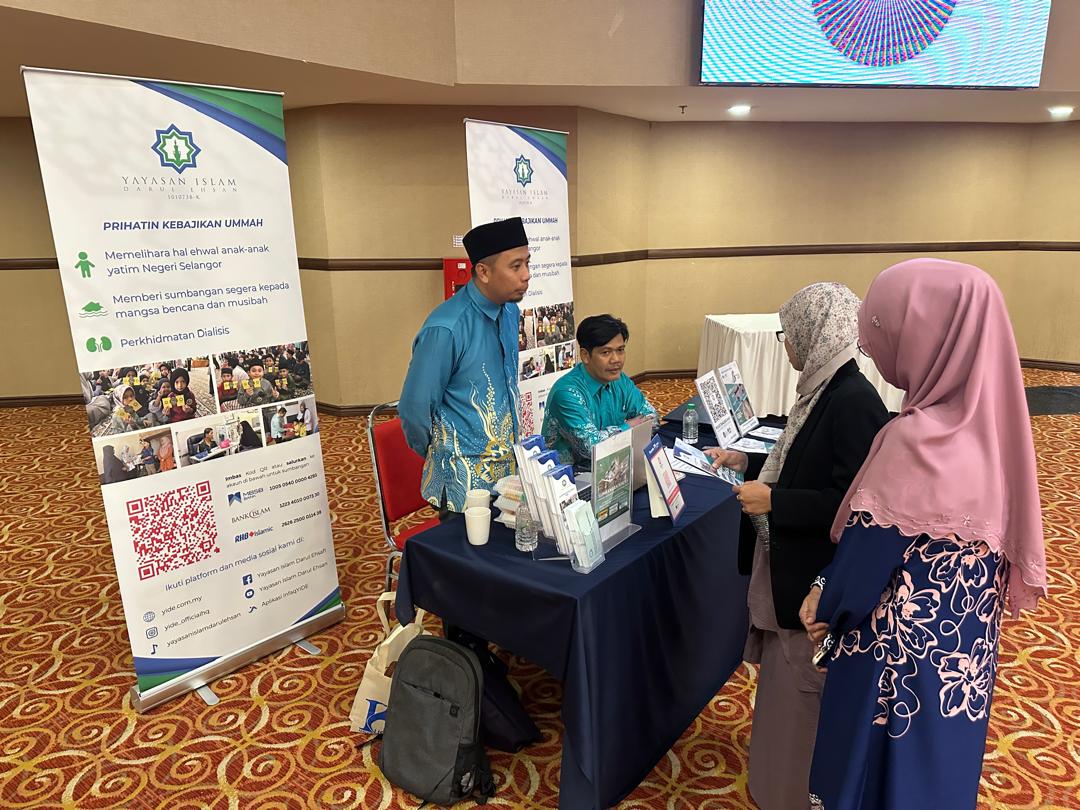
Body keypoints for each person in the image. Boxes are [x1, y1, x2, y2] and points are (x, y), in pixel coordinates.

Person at [798, 260, 1046, 810]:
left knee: (874, 781)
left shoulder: (915, 443)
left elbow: (861, 571)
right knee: (937, 774)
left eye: (887, 330)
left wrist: (823, 599)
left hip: (891, 670)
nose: (876, 346)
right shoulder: (999, 436)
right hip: (961, 664)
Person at [707, 282, 889, 810]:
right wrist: (747, 462)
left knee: (804, 697)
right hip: (794, 569)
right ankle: (774, 782)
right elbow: (800, 457)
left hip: (813, 579)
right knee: (785, 693)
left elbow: (854, 504)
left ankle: (794, 794)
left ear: (814, 334)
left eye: (789, 334)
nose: (786, 345)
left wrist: (775, 501)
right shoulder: (824, 389)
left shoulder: (852, 400)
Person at [399, 216, 530, 512]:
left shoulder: (510, 312)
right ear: (483, 271)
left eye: (527, 263)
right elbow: (414, 409)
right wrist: (443, 454)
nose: (526, 275)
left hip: (509, 476)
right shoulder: (446, 329)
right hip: (464, 487)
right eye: (515, 266)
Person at [541, 314, 657, 467]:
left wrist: (620, 434)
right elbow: (592, 448)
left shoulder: (619, 379)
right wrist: (629, 427)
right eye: (606, 352)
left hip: (610, 466)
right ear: (585, 355)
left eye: (620, 350)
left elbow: (652, 418)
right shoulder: (567, 393)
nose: (616, 360)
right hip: (566, 474)